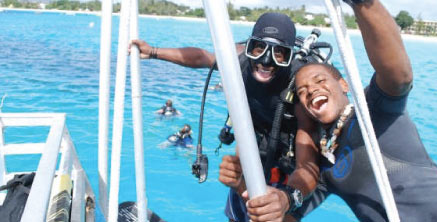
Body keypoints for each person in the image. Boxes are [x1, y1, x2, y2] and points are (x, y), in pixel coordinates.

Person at [244, 0, 437, 222]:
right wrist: (281, 202)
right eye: (302, 92)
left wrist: (363, 4)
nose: (311, 90)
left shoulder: (373, 111)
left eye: (320, 80)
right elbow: (296, 202)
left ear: (343, 85)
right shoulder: (326, 165)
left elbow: (399, 77)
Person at [130, 12, 319, 222]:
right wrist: (153, 51)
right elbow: (204, 57)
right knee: (237, 211)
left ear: (290, 56)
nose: (266, 61)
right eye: (259, 48)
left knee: (276, 216)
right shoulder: (240, 60)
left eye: (279, 54)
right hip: (252, 151)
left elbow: (308, 165)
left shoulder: (300, 84)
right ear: (250, 46)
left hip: (286, 165)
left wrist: (287, 198)